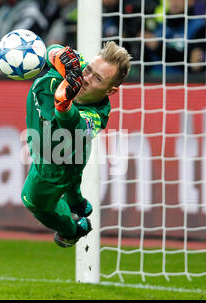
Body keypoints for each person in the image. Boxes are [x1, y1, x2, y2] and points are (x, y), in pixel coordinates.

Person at [21, 41, 132, 247]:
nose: (86, 78)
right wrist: (58, 54)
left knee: (33, 200)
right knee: (72, 178)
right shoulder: (79, 66)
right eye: (89, 69)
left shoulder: (96, 115)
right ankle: (77, 202)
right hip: (63, 148)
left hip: (54, 159)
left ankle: (72, 231)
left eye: (97, 79)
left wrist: (64, 105)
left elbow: (76, 125)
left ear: (111, 91)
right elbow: (50, 51)